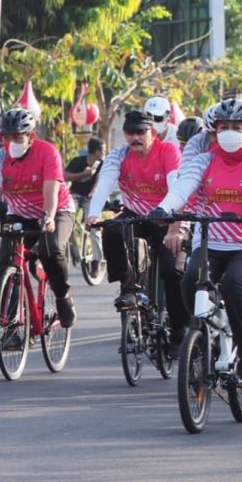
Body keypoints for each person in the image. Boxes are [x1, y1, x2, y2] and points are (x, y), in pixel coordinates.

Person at [152, 98, 242, 385]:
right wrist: (165, 207)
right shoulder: (204, 159)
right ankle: (204, 336)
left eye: (237, 126)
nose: (230, 132)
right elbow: (183, 186)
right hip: (211, 242)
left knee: (236, 284)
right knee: (188, 283)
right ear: (215, 129)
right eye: (224, 127)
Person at [87, 110, 184, 342]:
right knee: (112, 229)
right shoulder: (119, 155)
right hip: (135, 215)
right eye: (130, 133)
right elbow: (105, 185)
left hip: (166, 215)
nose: (135, 138)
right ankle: (127, 287)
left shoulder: (168, 151)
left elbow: (177, 190)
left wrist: (174, 229)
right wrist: (92, 214)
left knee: (172, 272)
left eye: (141, 132)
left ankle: (179, 332)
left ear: (152, 132)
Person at [0, 107, 76, 328]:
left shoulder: (47, 152)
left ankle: (62, 296)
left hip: (56, 210)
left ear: (31, 136)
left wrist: (48, 218)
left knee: (49, 248)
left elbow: (50, 191)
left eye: (17, 137)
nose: (11, 142)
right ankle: (10, 322)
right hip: (20, 213)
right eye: (7, 137)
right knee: (6, 261)